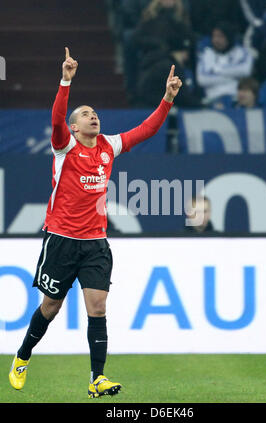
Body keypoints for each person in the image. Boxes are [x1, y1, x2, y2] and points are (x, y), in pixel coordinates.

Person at [8, 47, 182, 398]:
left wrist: (166, 99)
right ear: (74, 126)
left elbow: (145, 131)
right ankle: (22, 356)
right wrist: (65, 81)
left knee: (98, 307)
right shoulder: (64, 146)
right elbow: (57, 119)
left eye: (95, 113)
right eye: (85, 114)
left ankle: (97, 378)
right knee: (51, 306)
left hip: (95, 243)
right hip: (60, 239)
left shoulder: (109, 145)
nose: (93, 116)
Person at [196, 22, 254, 109]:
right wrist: (234, 78)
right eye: (214, 36)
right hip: (212, 101)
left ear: (228, 37)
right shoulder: (206, 54)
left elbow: (246, 71)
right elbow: (202, 79)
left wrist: (217, 70)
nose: (216, 40)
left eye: (220, 36)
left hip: (236, 99)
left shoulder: (241, 52)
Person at [136, 35, 202, 108]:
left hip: (142, 106)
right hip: (152, 109)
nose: (186, 57)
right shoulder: (171, 68)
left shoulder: (159, 62)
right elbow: (181, 96)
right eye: (184, 52)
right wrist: (200, 104)